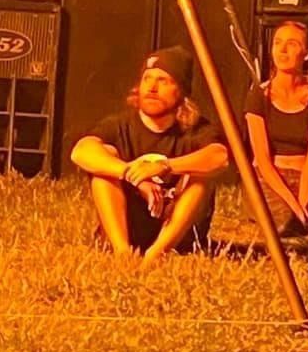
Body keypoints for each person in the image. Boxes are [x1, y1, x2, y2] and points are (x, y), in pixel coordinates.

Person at [69, 45, 229, 259]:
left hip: (177, 236)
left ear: (181, 91)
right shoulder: (120, 125)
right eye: (147, 79)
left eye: (163, 80)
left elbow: (220, 157)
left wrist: (166, 166)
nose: (152, 88)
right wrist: (132, 174)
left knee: (202, 178)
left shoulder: (197, 130)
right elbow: (81, 151)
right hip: (130, 228)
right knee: (103, 166)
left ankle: (157, 252)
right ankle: (122, 252)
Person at [245, 20, 308, 237]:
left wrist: (303, 201)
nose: (282, 50)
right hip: (269, 180)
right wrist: (293, 205)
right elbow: (262, 160)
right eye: (277, 43)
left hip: (303, 178)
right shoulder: (258, 95)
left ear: (307, 53)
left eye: (291, 44)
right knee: (287, 226)